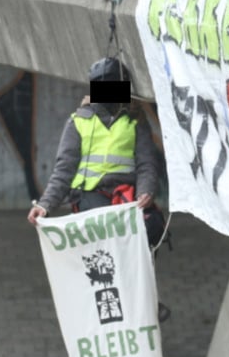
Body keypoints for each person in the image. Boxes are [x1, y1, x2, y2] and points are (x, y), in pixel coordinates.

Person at [27, 57, 170, 320]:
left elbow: (147, 165)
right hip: (90, 197)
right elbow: (64, 171)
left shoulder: (135, 121)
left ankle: (145, 297)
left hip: (126, 198)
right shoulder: (78, 122)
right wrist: (45, 205)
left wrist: (146, 193)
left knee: (151, 227)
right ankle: (107, 303)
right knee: (105, 242)